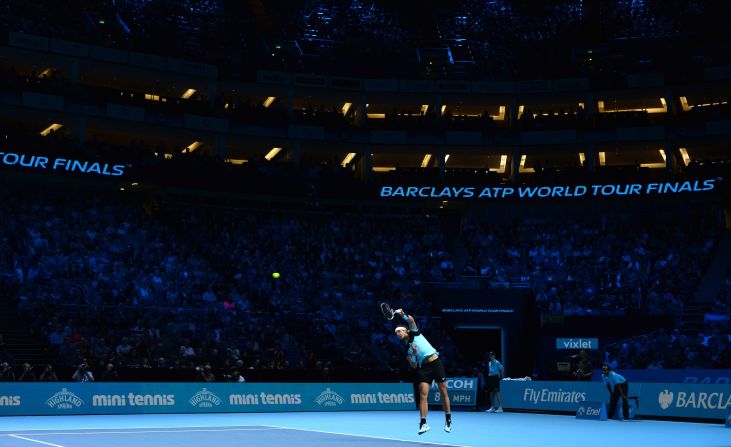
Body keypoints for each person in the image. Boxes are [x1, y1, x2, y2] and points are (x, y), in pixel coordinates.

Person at [393, 309, 452, 435]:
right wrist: (413, 355)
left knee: (443, 391)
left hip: (435, 363)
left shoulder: (415, 333)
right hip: (423, 368)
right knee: (423, 395)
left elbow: (411, 320)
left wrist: (401, 313)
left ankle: (448, 419)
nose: (398, 333)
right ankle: (423, 423)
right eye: (396, 332)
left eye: (400, 331)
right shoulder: (406, 349)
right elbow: (414, 365)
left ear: (406, 331)